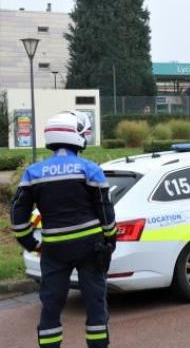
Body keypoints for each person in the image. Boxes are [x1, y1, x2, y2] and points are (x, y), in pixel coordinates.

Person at [10, 111, 116, 348]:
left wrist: (32, 243)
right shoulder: (90, 169)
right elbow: (106, 213)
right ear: (75, 137)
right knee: (95, 304)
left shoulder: (33, 173)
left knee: (51, 305)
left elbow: (17, 215)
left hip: (54, 250)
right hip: (91, 248)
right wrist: (110, 241)